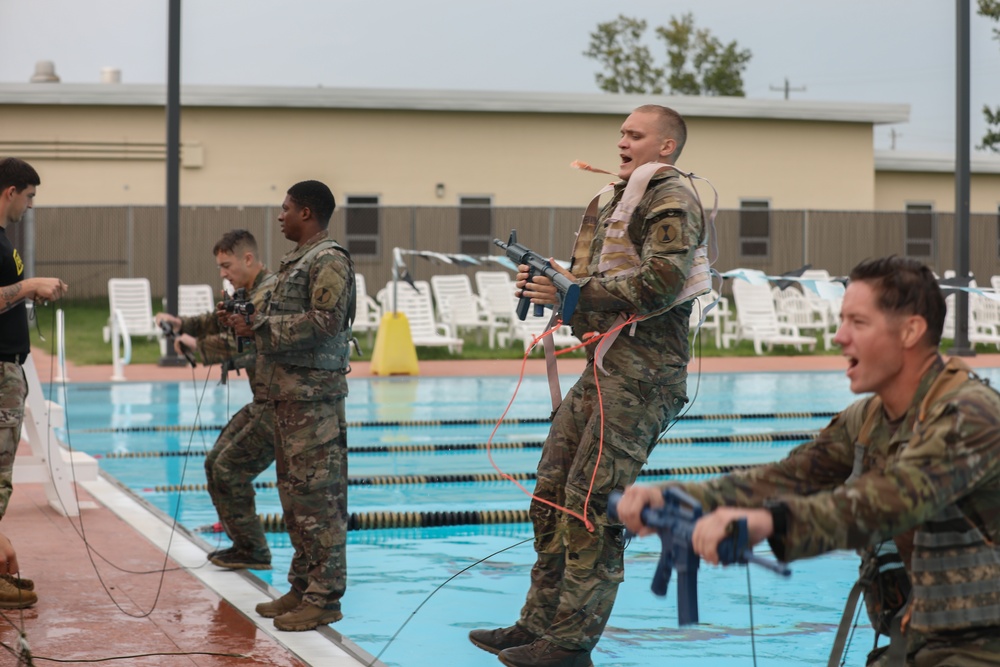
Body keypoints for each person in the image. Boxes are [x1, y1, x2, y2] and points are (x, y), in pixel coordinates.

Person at [618, 256, 1000, 666]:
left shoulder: (969, 416)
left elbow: (889, 500)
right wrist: (675, 496)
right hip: (923, 642)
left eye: (858, 322)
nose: (839, 337)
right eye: (841, 320)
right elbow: (785, 479)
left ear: (910, 331)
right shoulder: (869, 420)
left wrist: (771, 522)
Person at [469, 105, 706, 667]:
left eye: (635, 134)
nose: (622, 141)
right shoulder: (615, 197)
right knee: (551, 488)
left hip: (644, 374)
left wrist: (574, 294)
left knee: (591, 504)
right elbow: (589, 281)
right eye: (621, 132)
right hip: (605, 366)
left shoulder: (670, 197)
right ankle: (537, 624)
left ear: (666, 146)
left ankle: (570, 644)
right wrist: (554, 285)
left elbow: (661, 282)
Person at [230, 180, 355, 632]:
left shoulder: (329, 259)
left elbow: (325, 322)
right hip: (290, 399)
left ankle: (325, 597)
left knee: (319, 504)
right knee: (296, 500)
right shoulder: (297, 261)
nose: (279, 216)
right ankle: (302, 587)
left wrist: (260, 326)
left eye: (285, 209)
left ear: (306, 213)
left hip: (314, 402)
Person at [155, 229, 275, 570]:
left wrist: (198, 347)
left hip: (282, 406)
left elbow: (250, 342)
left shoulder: (269, 294)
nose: (222, 273)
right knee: (214, 464)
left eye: (226, 265)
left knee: (228, 468)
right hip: (262, 401)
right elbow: (218, 317)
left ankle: (254, 550)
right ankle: (245, 546)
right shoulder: (246, 291)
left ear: (247, 259)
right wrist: (183, 324)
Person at [0, 157, 68, 610]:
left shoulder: (3, 238)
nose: (29, 206)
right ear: (10, 192)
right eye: (29, 196)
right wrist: (27, 287)